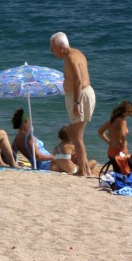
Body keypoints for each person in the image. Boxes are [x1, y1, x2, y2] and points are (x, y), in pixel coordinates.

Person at [49, 32, 95, 177]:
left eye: (53, 48)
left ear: (61, 47)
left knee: (76, 135)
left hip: (79, 96)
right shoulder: (77, 53)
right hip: (84, 94)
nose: (52, 51)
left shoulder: (70, 57)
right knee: (77, 135)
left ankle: (83, 170)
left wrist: (76, 103)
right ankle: (85, 168)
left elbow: (78, 81)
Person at [97, 99, 132, 174]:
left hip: (111, 150)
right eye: (131, 111)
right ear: (127, 111)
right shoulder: (122, 121)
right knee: (125, 172)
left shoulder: (112, 120)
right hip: (120, 150)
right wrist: (123, 143)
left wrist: (108, 142)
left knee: (118, 171)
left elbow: (100, 131)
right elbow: (122, 134)